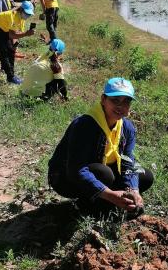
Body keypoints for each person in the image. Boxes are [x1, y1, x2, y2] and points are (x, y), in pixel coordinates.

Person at [48, 78, 154, 217]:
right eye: (115, 100)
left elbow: (128, 161)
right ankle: (87, 205)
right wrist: (110, 194)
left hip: (100, 170)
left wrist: (133, 189)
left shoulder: (127, 128)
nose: (120, 106)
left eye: (126, 101)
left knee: (145, 176)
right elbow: (76, 169)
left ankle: (108, 199)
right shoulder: (84, 125)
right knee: (104, 174)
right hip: (65, 177)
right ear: (103, 99)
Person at [0, 1, 35, 84]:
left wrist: (14, 46)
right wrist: (26, 34)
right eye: (27, 13)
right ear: (21, 10)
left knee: (11, 51)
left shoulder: (21, 19)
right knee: (3, 52)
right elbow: (12, 35)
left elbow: (17, 34)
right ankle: (11, 77)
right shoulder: (11, 16)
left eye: (29, 14)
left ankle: (11, 75)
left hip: (4, 29)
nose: (28, 15)